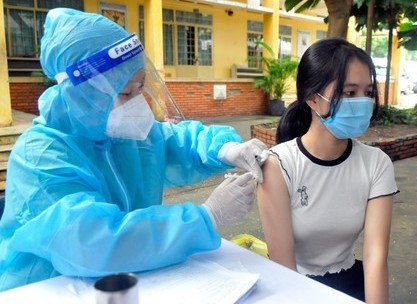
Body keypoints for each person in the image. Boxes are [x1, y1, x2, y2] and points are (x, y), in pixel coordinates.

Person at [0, 8, 267, 291]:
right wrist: (207, 216)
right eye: (126, 92)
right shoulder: (40, 157)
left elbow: (177, 140)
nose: (138, 102)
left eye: (140, 87)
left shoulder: (118, 132)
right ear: (83, 93)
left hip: (123, 281)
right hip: (44, 288)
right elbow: (95, 241)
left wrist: (227, 149)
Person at [257, 38, 399, 303]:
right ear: (312, 97)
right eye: (349, 93)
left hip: (349, 281)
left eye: (368, 92)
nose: (364, 102)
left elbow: (375, 256)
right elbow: (283, 267)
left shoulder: (376, 163)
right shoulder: (279, 165)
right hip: (294, 286)